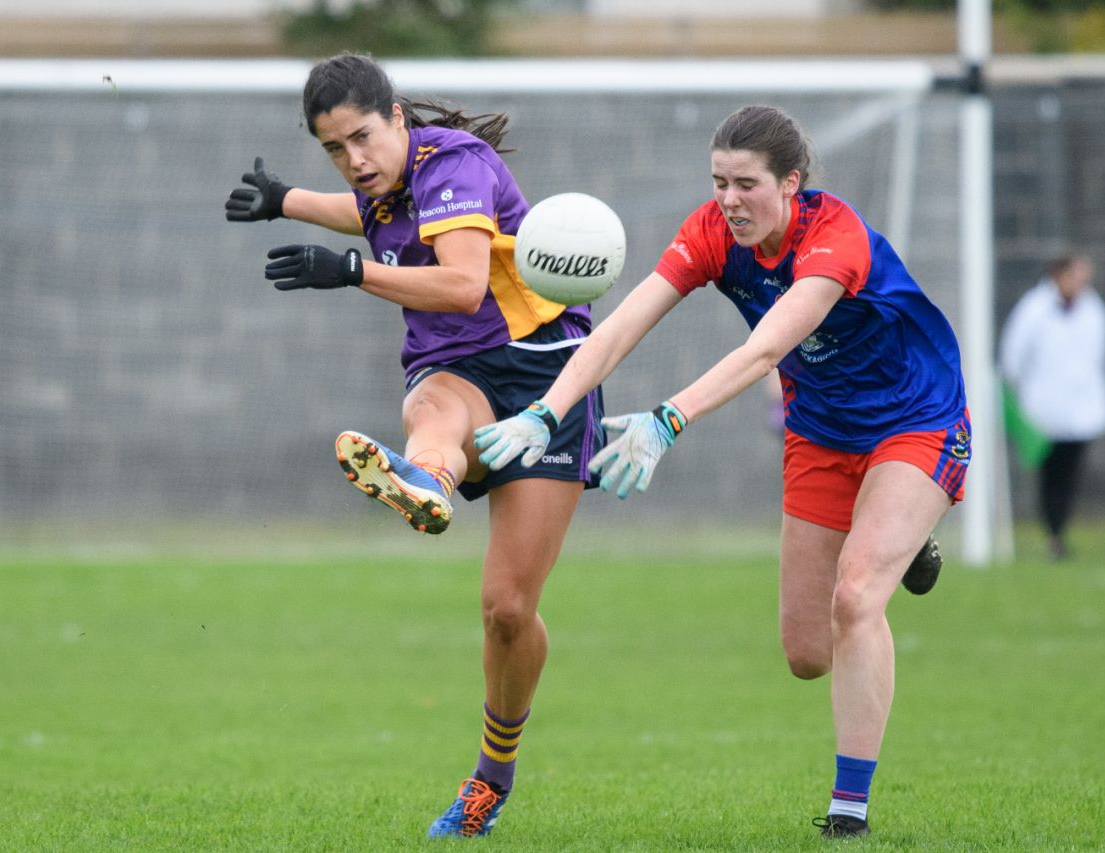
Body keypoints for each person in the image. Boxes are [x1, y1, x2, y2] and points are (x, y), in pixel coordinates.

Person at [473, 104, 968, 840]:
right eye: (718, 183)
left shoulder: (834, 238)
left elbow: (766, 350)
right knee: (806, 653)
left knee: (857, 594)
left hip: (915, 421)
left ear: (791, 182)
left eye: (746, 184)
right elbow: (618, 328)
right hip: (821, 431)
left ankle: (849, 811)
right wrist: (544, 412)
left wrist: (667, 419)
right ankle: (898, 536)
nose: (729, 200)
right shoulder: (710, 231)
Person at [224, 53, 606, 838]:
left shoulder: (456, 163)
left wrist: (351, 273)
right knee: (433, 405)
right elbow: (367, 213)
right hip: (456, 366)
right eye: (334, 148)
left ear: (398, 117)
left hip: (547, 378)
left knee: (508, 609)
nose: (353, 161)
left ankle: (490, 778)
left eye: (362, 138)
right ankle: (424, 479)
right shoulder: (383, 181)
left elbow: (464, 284)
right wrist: (285, 201)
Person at [999, 253, 1105, 560]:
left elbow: (1099, 353)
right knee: (1051, 474)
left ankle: (1060, 531)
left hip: (1081, 408)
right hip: (1044, 410)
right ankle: (1054, 534)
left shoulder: (1093, 309)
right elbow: (1013, 357)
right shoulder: (1034, 309)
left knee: (1070, 473)